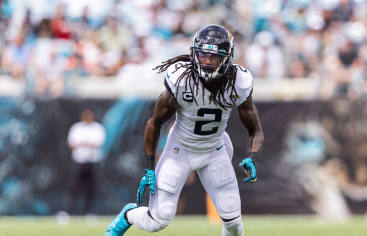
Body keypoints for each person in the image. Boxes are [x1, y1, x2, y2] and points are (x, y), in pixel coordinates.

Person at [105, 24, 264, 236]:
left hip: (214, 149)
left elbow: (255, 129)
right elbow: (154, 122)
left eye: (213, 57)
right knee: (158, 220)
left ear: (227, 58)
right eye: (202, 54)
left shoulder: (239, 82)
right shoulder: (181, 79)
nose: (206, 61)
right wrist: (149, 168)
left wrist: (252, 156)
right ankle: (128, 215)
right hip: (180, 148)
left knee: (233, 222)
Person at [67, 109, 106, 215]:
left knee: (91, 187)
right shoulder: (76, 128)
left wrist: (84, 143)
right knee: (74, 187)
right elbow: (72, 144)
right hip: (79, 161)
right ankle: (70, 211)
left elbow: (98, 143)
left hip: (92, 161)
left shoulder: (98, 128)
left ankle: (89, 212)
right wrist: (86, 143)